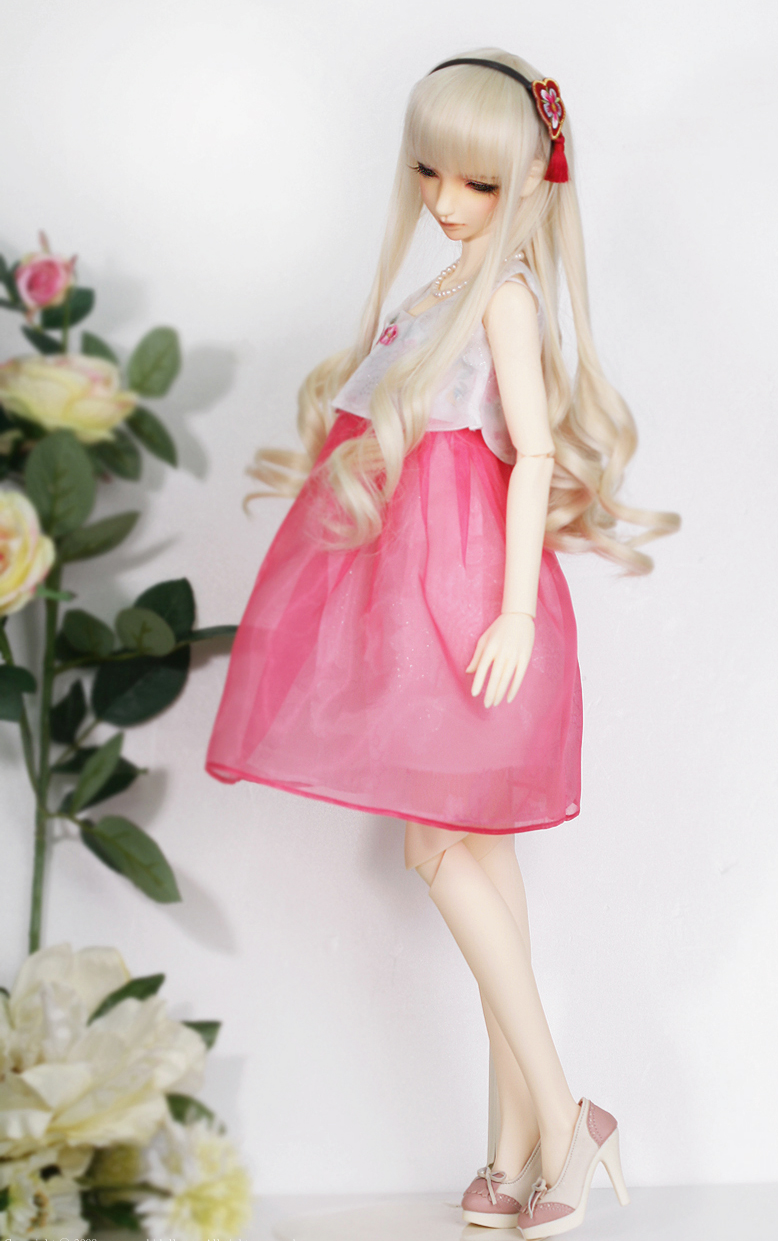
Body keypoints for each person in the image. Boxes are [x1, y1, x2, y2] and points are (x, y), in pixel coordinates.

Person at [205, 48, 679, 1236]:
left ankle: (566, 1116)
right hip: (417, 588)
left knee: (436, 848)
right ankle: (511, 1151)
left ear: (525, 183)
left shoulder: (502, 296)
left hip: (466, 598)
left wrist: (513, 609)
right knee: (479, 862)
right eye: (430, 172)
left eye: (475, 181)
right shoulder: (436, 294)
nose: (445, 200)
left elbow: (536, 455)